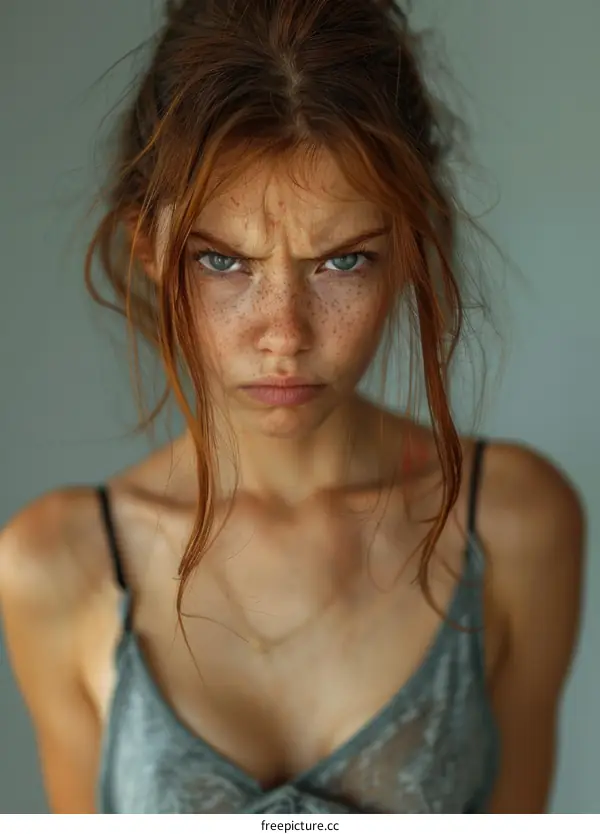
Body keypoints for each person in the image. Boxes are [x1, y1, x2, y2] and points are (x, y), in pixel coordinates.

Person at [0, 0, 585, 815]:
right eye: (223, 263)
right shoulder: (57, 564)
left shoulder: (513, 524)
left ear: (411, 250)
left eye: (342, 261)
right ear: (150, 250)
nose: (284, 334)